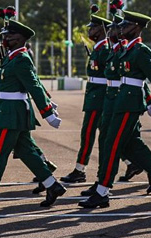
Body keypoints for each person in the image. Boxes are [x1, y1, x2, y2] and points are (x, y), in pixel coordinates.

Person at [79, 10, 151, 209]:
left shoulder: (140, 50)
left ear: (136, 27)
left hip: (129, 103)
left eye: (125, 25)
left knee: (112, 144)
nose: (120, 28)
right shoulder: (126, 49)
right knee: (132, 146)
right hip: (119, 101)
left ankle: (102, 191)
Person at [0, 19, 66, 210]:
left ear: (20, 39)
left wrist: (47, 112)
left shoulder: (21, 59)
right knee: (26, 152)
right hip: (8, 111)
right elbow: (33, 83)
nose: (5, 38)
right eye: (5, 34)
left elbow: (33, 85)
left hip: (11, 114)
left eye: (10, 35)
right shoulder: (13, 57)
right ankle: (53, 185)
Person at [61, 12, 111, 184]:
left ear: (102, 30)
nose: (90, 30)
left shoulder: (104, 50)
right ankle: (131, 162)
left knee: (90, 134)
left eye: (94, 27)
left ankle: (81, 170)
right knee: (92, 134)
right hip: (94, 98)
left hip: (99, 99)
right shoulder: (98, 49)